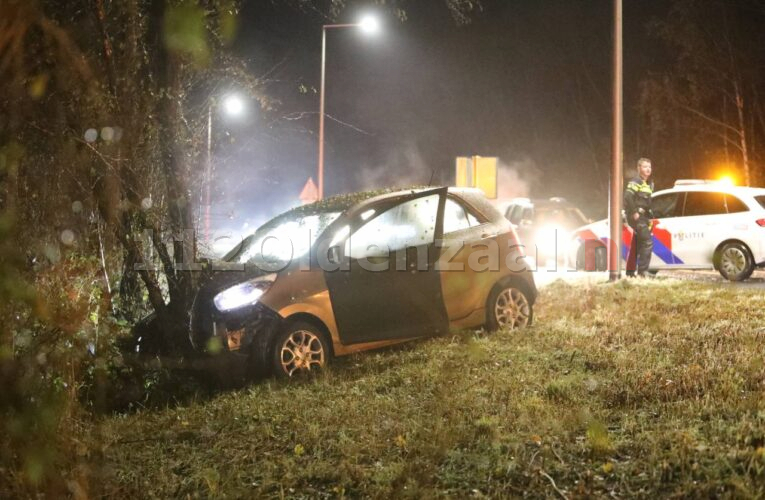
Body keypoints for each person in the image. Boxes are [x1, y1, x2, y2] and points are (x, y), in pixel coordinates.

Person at [624, 158, 654, 277]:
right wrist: (634, 212)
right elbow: (628, 196)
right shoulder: (636, 181)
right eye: (645, 166)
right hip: (636, 217)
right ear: (639, 168)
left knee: (637, 244)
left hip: (643, 217)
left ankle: (630, 272)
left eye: (649, 167)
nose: (648, 169)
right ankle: (643, 272)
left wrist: (650, 216)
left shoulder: (649, 183)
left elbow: (647, 203)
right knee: (647, 242)